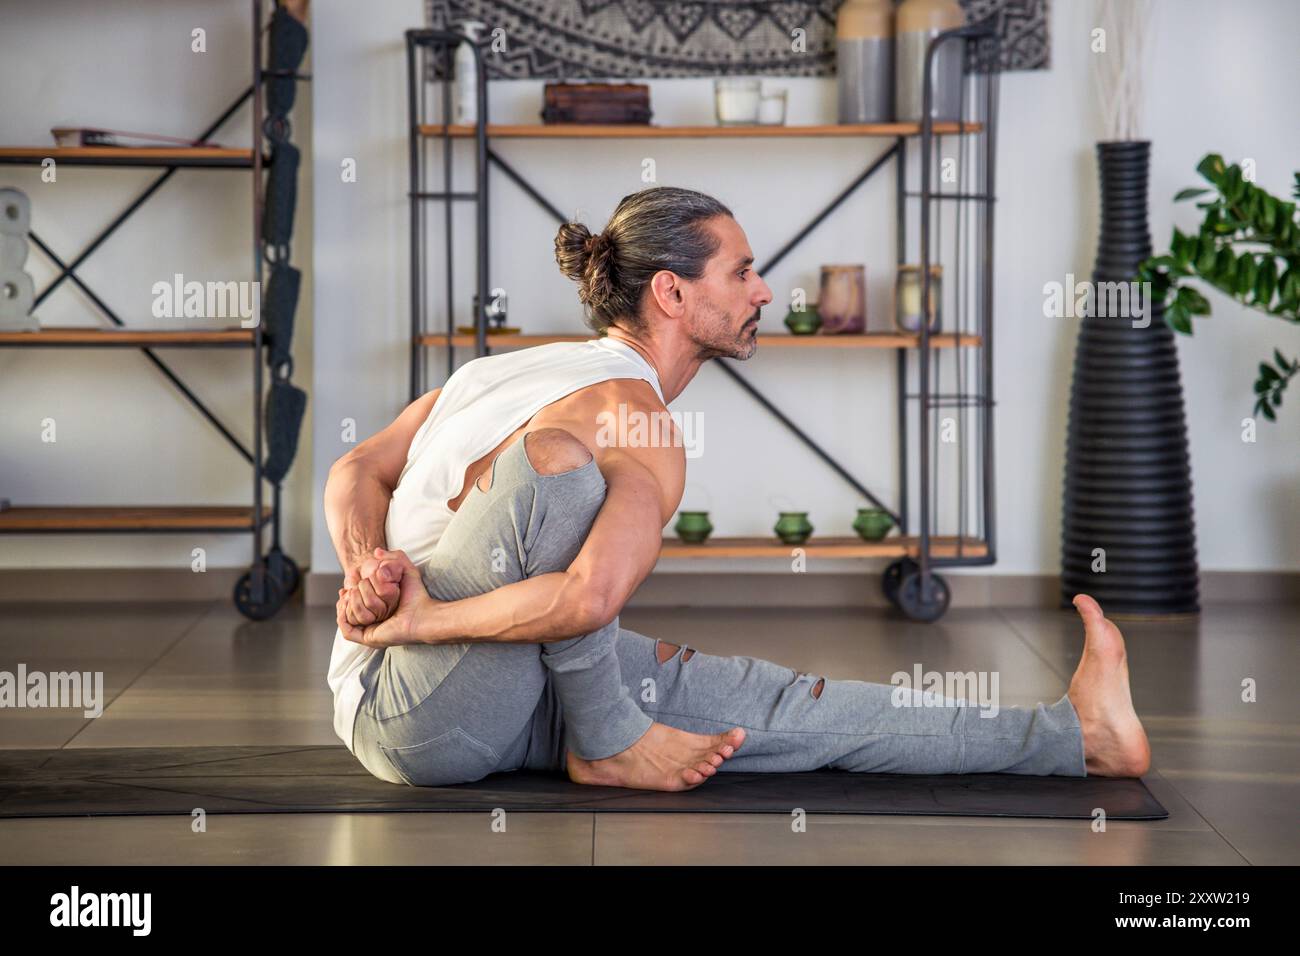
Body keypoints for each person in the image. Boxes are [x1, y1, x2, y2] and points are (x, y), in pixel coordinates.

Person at [324, 186, 1151, 792]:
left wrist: (368, 574)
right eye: (743, 272)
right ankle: (607, 743)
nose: (763, 292)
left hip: (496, 676)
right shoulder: (628, 416)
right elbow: (584, 598)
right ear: (672, 293)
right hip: (418, 714)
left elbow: (354, 470)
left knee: (780, 703)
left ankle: (1074, 736)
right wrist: (410, 611)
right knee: (562, 474)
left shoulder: (503, 371)